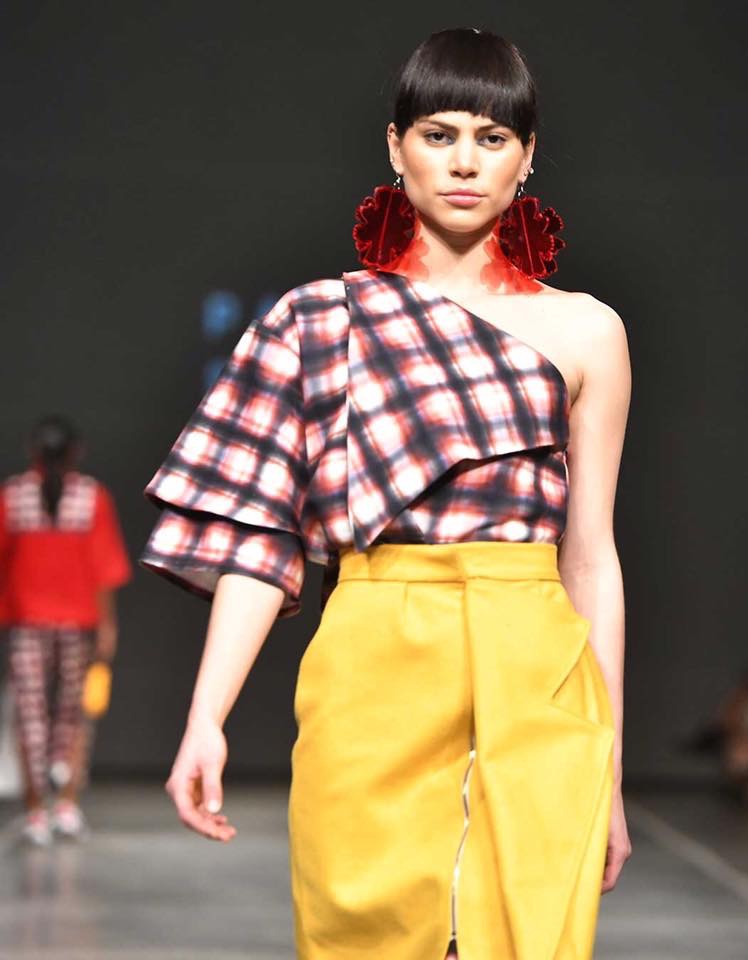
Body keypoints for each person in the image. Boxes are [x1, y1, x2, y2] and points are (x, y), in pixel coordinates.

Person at [141, 27, 632, 960]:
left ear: (526, 158)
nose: (464, 162)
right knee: (359, 935)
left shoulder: (587, 332)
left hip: (537, 668)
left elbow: (591, 557)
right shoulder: (317, 322)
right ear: (396, 147)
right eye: (439, 134)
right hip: (373, 659)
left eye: (492, 139)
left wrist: (608, 768)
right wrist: (207, 716)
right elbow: (259, 536)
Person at [0, 415, 131, 844]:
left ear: (33, 451)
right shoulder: (91, 498)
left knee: (30, 717)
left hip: (26, 623)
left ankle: (37, 812)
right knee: (73, 716)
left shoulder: (13, 496)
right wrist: (108, 626)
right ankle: (67, 805)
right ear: (76, 452)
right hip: (78, 623)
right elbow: (104, 570)